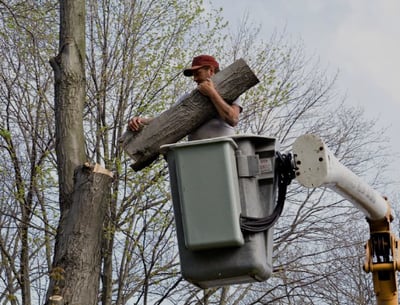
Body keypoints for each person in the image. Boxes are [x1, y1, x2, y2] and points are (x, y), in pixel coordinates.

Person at [128, 55, 242, 141]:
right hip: (196, 154)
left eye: (198, 73)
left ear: (211, 71)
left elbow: (233, 119)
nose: (194, 79)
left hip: (224, 151)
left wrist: (212, 94)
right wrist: (142, 121)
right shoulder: (187, 99)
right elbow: (168, 118)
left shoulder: (231, 93)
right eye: (193, 75)